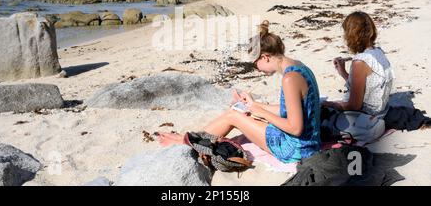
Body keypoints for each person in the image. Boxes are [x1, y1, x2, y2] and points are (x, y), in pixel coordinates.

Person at [157, 20, 321, 164]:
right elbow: (291, 109)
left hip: (296, 148)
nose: (256, 67)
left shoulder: (289, 79)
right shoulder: (299, 67)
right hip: (307, 142)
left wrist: (260, 112)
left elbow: (295, 128)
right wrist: (254, 105)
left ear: (265, 57)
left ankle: (188, 142)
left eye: (255, 62)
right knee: (242, 113)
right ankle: (191, 139)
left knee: (233, 116)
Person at [322, 12, 394, 115]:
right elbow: (367, 86)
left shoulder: (360, 61)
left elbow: (355, 106)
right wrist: (343, 73)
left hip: (367, 115)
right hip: (381, 110)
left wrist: (331, 104)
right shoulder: (378, 52)